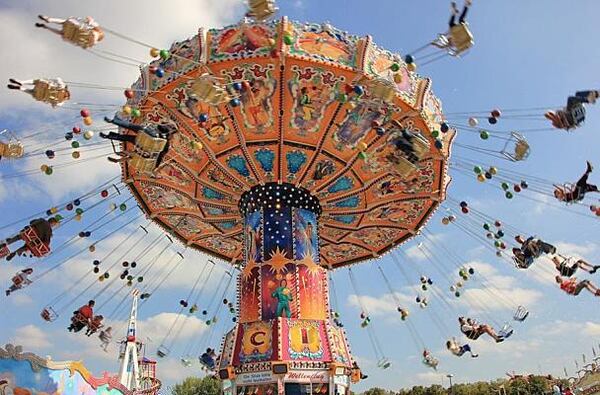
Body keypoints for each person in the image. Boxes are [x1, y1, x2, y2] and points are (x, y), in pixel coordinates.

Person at [101, 115, 177, 168]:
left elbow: (131, 157)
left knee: (130, 129)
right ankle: (109, 133)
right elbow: (131, 157)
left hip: (147, 139)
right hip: (148, 139)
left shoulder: (164, 143)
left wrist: (118, 160)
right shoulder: (164, 145)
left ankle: (113, 123)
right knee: (127, 135)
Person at [35, 15, 104, 49]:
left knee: (65, 22)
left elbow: (90, 22)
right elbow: (81, 45)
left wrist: (89, 20)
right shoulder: (88, 43)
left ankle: (49, 20)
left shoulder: (96, 31)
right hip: (71, 34)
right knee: (61, 32)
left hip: (75, 27)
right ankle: (46, 26)